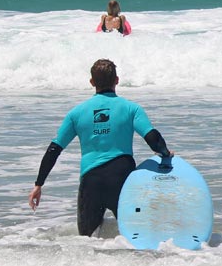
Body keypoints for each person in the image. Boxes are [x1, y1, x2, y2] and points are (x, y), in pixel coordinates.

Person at [28, 59, 172, 236]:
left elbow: (54, 149)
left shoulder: (77, 113)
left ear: (92, 82)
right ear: (117, 80)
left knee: (87, 242)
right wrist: (165, 153)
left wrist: (39, 184)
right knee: (136, 238)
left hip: (91, 181)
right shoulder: (131, 109)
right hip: (122, 179)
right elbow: (152, 137)